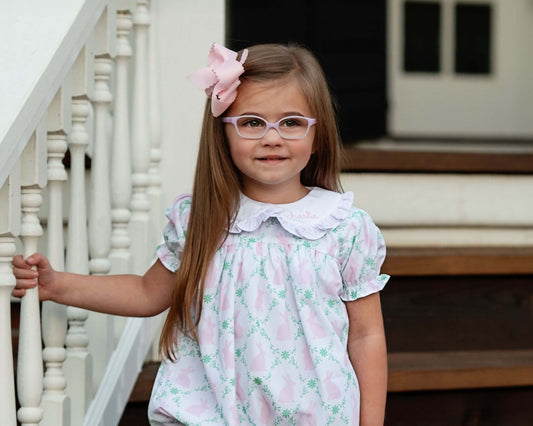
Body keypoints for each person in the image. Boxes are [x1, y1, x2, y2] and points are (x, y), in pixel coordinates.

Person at [12, 43, 389, 425]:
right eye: (252, 122)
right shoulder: (201, 219)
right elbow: (146, 292)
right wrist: (58, 286)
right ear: (223, 133)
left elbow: (365, 337)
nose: (271, 137)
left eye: (291, 123)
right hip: (212, 411)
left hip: (315, 413)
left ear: (318, 134)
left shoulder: (343, 228)